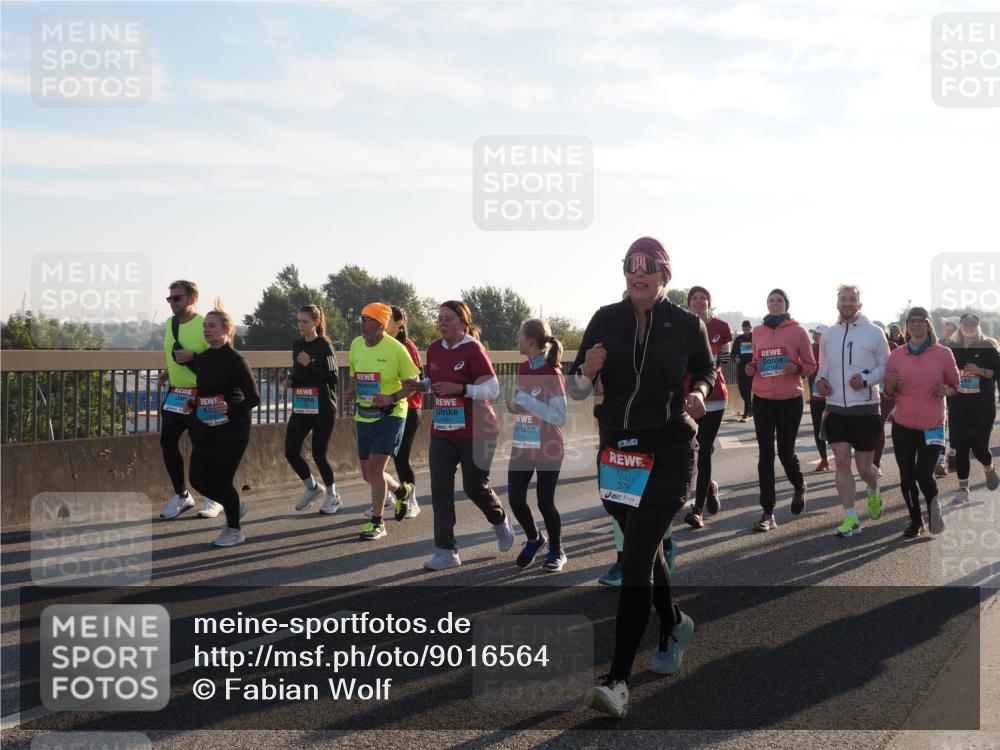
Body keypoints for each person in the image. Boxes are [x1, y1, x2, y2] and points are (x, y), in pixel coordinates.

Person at [569, 236, 715, 719]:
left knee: (634, 563)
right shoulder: (604, 319)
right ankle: (674, 622)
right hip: (617, 454)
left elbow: (709, 374)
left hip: (670, 450)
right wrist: (587, 371)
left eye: (648, 267)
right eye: (631, 266)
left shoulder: (685, 323)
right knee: (643, 551)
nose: (639, 273)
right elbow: (574, 388)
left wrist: (699, 393)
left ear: (663, 276)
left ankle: (616, 681)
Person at [402, 301, 516, 570]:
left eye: (448, 318)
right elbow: (436, 379)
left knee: (474, 487)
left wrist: (461, 389)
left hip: (476, 430)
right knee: (440, 490)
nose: (441, 323)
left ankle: (499, 519)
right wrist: (421, 384)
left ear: (463, 323)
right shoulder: (433, 349)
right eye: (439, 318)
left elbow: (492, 389)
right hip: (443, 430)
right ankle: (446, 550)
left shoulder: (473, 349)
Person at [813, 286, 890, 538]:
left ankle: (874, 489)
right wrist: (820, 381)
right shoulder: (829, 335)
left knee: (864, 467)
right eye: (843, 299)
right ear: (837, 303)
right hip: (836, 408)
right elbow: (823, 366)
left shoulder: (874, 333)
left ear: (860, 303)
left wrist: (867, 379)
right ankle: (851, 517)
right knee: (842, 462)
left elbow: (885, 366)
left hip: (866, 409)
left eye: (852, 299)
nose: (847, 303)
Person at [884, 307, 960, 538]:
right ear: (907, 326)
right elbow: (888, 392)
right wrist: (891, 384)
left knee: (923, 474)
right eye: (911, 321)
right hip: (903, 423)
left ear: (928, 325)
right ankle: (916, 520)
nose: (915, 325)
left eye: (920, 321)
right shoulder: (896, 355)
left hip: (933, 424)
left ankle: (933, 508)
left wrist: (946, 389)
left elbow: (955, 386)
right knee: (906, 475)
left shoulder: (943, 353)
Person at [188, 305, 261, 547]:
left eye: (212, 326)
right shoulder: (204, 358)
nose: (206, 330)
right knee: (197, 478)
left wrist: (231, 408)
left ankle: (234, 530)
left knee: (221, 479)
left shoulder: (237, 360)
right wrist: (194, 402)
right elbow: (206, 392)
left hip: (234, 427)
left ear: (227, 330)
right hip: (208, 425)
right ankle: (234, 505)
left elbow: (254, 398)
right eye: (204, 326)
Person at [745, 289, 817, 531]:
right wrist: (751, 367)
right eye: (770, 301)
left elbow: (810, 365)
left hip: (790, 400)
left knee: (785, 453)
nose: (774, 304)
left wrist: (796, 368)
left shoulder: (798, 331)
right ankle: (768, 513)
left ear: (786, 305)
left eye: (779, 301)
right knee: (765, 455)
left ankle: (799, 485)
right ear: (767, 305)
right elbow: (755, 360)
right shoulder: (758, 331)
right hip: (763, 399)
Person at [348, 303, 420, 541]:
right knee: (368, 474)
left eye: (366, 319)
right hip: (364, 414)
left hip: (392, 415)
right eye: (361, 318)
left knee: (377, 469)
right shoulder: (356, 345)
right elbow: (355, 375)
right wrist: (351, 391)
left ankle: (377, 523)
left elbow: (413, 385)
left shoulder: (397, 349)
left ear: (380, 325)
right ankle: (401, 491)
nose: (361, 323)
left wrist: (391, 397)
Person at [507, 319, 568, 571]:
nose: (517, 341)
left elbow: (559, 415)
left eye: (520, 336)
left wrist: (526, 401)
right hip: (523, 442)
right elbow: (525, 402)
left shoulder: (552, 373)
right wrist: (515, 404)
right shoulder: (523, 368)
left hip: (548, 446)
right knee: (515, 499)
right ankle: (535, 538)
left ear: (531, 341)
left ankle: (556, 549)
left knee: (545, 502)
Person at [159, 280, 218, 519]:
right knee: (167, 444)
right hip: (176, 394)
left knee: (202, 449)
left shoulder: (205, 325)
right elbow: (173, 353)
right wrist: (168, 370)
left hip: (200, 396)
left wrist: (193, 357)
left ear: (192, 299)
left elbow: (217, 361)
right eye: (170, 298)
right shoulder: (170, 323)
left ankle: (214, 497)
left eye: (177, 298)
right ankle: (182, 495)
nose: (172, 303)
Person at [281, 305, 341, 515]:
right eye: (298, 321)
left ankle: (332, 495)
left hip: (324, 408)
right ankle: (312, 488)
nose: (301, 325)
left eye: (305, 321)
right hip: (303, 405)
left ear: (316, 322)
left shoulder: (324, 345)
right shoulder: (297, 345)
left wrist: (311, 363)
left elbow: (333, 378)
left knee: (318, 454)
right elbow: (298, 372)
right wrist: (290, 380)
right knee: (290, 450)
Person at [683, 286, 732, 529]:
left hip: (713, 395)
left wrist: (706, 362)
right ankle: (709, 485)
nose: (699, 301)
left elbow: (725, 359)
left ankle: (697, 508)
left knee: (703, 449)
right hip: (686, 396)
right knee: (688, 450)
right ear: (689, 302)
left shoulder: (720, 327)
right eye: (695, 298)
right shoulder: (681, 326)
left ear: (708, 302)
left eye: (703, 298)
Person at [946, 312, 1000, 503]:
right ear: (960, 326)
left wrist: (981, 371)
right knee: (960, 446)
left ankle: (988, 467)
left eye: (972, 324)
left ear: (978, 326)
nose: (969, 327)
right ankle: (963, 488)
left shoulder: (987, 346)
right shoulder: (950, 347)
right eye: (966, 324)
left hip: (982, 406)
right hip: (959, 404)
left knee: (978, 446)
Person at [380, 306, 424, 520]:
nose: (383, 322)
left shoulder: (407, 346)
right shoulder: (380, 346)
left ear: (399, 324)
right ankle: (384, 498)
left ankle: (412, 501)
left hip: (410, 408)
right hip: (387, 409)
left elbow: (417, 380)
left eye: (388, 319)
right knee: (379, 457)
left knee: (401, 457)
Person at [935, 317, 962, 477]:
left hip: (958, 390)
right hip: (941, 391)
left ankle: (952, 455)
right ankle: (940, 460)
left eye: (950, 325)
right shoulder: (939, 343)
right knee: (941, 424)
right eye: (945, 325)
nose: (946, 327)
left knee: (956, 425)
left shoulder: (963, 345)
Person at [874, 324, 901, 475]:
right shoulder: (863, 345)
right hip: (867, 392)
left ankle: (876, 462)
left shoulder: (892, 347)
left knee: (879, 425)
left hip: (886, 393)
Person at [807, 325, 831, 472]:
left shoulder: (833, 349)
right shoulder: (810, 348)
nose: (815, 337)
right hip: (815, 396)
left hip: (833, 397)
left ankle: (842, 455)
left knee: (835, 428)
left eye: (818, 335)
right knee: (817, 429)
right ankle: (824, 459)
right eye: (814, 335)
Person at [733, 320, 754, 422]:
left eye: (748, 329)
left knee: (747, 389)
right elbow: (732, 353)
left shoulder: (755, 337)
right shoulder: (738, 339)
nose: (746, 331)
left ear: (751, 328)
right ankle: (750, 406)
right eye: (744, 329)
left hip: (752, 367)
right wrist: (735, 359)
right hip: (741, 368)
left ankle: (746, 414)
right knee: (742, 390)